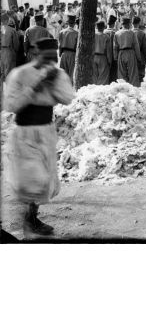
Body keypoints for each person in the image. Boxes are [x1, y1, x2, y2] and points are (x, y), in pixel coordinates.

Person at [3, 37, 74, 237]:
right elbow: (11, 105)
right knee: (30, 179)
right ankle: (26, 220)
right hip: (25, 132)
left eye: (53, 56)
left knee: (45, 181)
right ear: (36, 53)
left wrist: (52, 84)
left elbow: (68, 98)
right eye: (46, 55)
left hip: (46, 131)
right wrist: (34, 87)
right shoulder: (20, 74)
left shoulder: (58, 74)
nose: (50, 60)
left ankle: (31, 217)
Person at [114, 17, 142, 87]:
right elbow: (136, 46)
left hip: (121, 53)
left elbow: (115, 47)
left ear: (122, 24)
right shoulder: (132, 33)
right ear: (129, 24)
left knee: (122, 74)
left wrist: (115, 57)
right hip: (130, 52)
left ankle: (123, 90)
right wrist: (139, 57)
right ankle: (134, 90)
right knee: (133, 74)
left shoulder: (117, 33)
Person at [57, 12, 78, 83]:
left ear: (67, 23)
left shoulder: (62, 32)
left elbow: (59, 45)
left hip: (64, 53)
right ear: (74, 23)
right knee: (71, 74)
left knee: (63, 74)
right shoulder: (76, 33)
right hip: (72, 54)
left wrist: (60, 54)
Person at [2, 13, 20, 84]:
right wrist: (16, 50)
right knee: (9, 70)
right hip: (8, 50)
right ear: (7, 20)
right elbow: (16, 44)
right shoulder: (12, 30)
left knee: (2, 71)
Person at [93, 20, 112, 85]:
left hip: (94, 56)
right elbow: (108, 51)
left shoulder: (93, 35)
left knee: (94, 77)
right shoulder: (106, 37)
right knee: (103, 77)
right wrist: (109, 61)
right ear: (104, 27)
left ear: (96, 27)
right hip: (103, 57)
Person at [132, 16, 146, 84]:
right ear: (139, 23)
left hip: (131, 55)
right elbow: (145, 47)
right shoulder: (142, 33)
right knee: (139, 76)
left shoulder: (129, 32)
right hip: (140, 56)